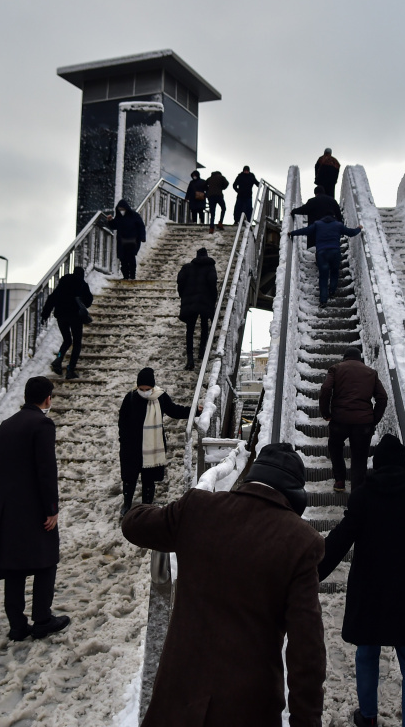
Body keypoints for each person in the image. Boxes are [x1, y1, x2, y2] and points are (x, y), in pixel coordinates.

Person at [122, 442, 325, 726]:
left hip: (177, 700)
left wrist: (174, 509)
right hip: (247, 709)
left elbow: (133, 524)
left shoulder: (199, 508)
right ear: (295, 495)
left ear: (250, 476)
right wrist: (307, 720)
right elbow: (307, 649)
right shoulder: (301, 542)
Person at [318, 434, 405, 727]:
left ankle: (368, 717)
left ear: (377, 465)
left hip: (371, 595)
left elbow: (340, 540)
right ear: (404, 465)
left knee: (367, 653)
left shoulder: (363, 496)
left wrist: (312, 573)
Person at [0, 376, 69, 641]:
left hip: (8, 507)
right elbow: (46, 470)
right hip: (34, 507)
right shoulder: (42, 424)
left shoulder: (7, 425)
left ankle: (16, 624)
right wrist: (52, 507)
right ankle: (42, 618)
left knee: (15, 566)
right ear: (47, 398)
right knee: (46, 562)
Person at [117, 368, 192, 516]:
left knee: (148, 479)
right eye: (141, 389)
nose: (144, 391)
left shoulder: (161, 397)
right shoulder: (130, 397)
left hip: (152, 445)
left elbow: (174, 411)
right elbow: (122, 421)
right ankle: (127, 504)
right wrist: (123, 440)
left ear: (153, 387)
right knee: (129, 477)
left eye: (147, 389)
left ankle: (146, 507)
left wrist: (194, 410)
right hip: (132, 446)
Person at [320, 348, 388, 494]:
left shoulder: (336, 369)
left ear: (345, 358)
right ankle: (357, 492)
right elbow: (382, 397)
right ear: (360, 358)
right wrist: (373, 419)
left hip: (340, 420)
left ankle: (339, 480)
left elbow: (326, 389)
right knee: (360, 457)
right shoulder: (371, 373)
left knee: (335, 446)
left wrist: (326, 413)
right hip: (363, 424)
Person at [290, 215, 363, 306]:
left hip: (322, 253)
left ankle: (323, 301)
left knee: (323, 277)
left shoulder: (317, 224)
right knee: (334, 272)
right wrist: (359, 228)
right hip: (335, 252)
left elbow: (305, 231)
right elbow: (351, 232)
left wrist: (292, 233)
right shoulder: (338, 225)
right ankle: (332, 291)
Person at [41, 266, 94, 379]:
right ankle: (70, 369)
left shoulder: (62, 284)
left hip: (61, 317)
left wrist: (45, 315)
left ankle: (59, 358)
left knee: (67, 340)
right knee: (77, 343)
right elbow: (88, 301)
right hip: (75, 317)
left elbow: (51, 298)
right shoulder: (82, 284)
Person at [176, 248, 218, 370]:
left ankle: (190, 360)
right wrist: (213, 298)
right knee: (204, 325)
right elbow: (212, 282)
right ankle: (202, 351)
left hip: (190, 302)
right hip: (205, 301)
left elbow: (180, 281)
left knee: (190, 329)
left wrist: (183, 295)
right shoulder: (210, 267)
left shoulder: (187, 267)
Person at [105, 198, 147, 280]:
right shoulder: (119, 218)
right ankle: (126, 276)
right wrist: (110, 221)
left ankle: (132, 275)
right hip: (122, 242)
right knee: (123, 259)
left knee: (131, 258)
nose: (121, 211)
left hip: (132, 241)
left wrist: (142, 237)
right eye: (120, 209)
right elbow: (114, 226)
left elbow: (141, 226)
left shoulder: (134, 216)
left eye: (123, 209)